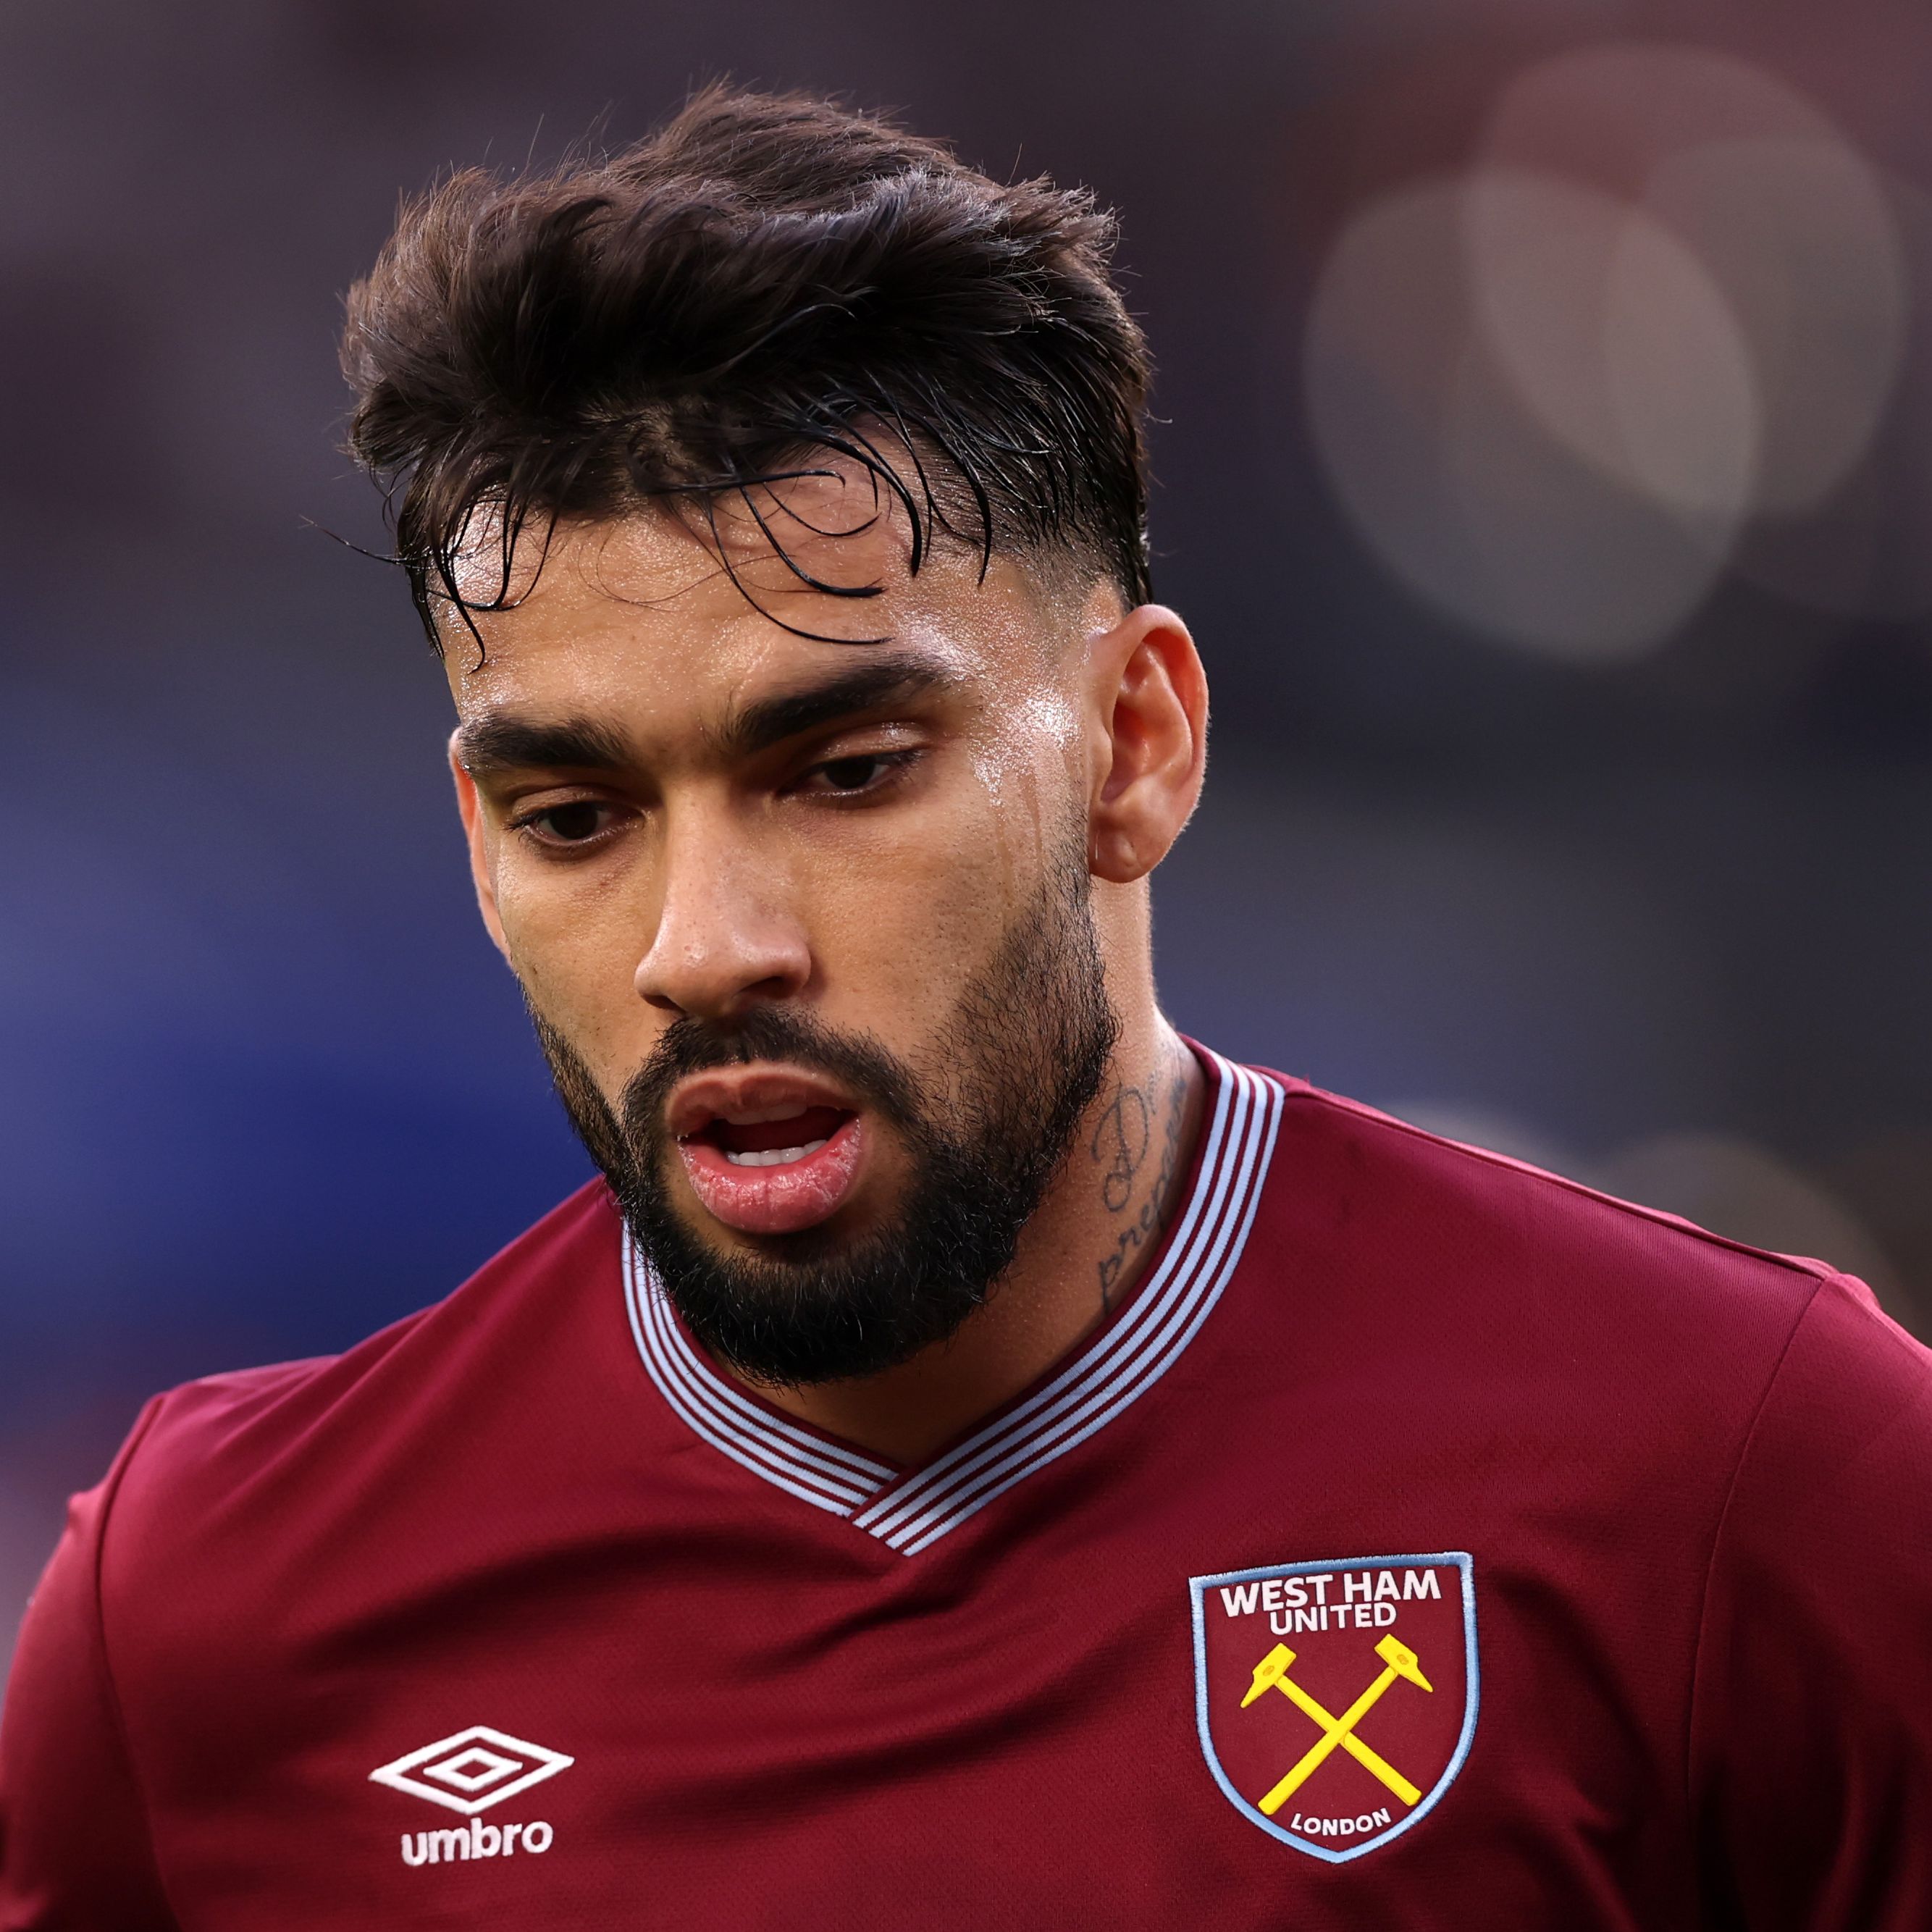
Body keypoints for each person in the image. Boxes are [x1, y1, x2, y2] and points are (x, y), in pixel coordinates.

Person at [2, 85, 1928, 1932]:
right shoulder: (212, 1622)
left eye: (845, 772)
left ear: (1133, 745)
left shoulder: (1751, 1479)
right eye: (574, 816)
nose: (705, 946)